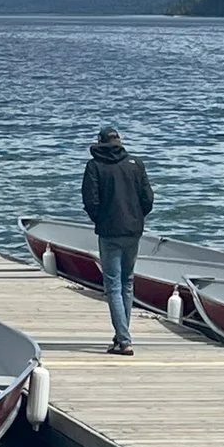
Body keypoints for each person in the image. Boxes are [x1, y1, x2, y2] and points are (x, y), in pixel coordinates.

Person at [79, 124, 152, 357]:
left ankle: (124, 339)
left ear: (100, 143)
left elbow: (90, 200)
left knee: (112, 285)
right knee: (127, 283)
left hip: (109, 232)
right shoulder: (135, 165)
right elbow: (148, 198)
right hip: (133, 230)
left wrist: (101, 219)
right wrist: (137, 217)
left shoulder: (94, 166)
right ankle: (121, 337)